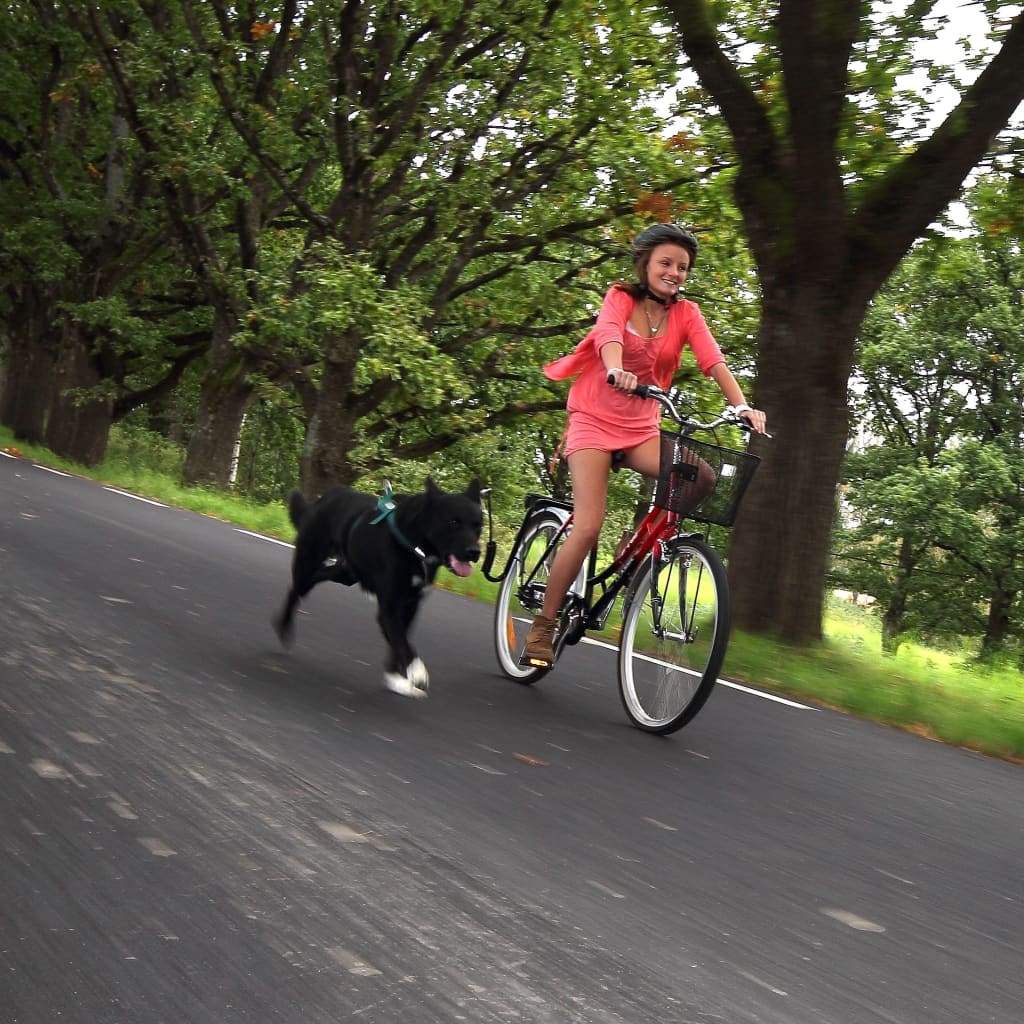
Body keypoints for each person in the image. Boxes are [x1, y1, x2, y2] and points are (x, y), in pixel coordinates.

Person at [521, 223, 767, 668]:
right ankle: (544, 625)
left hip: (640, 427)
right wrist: (616, 369)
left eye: (682, 267)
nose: (675, 272)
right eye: (666, 263)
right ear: (646, 265)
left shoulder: (687, 313)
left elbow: (712, 360)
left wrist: (744, 406)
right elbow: (608, 337)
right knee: (588, 525)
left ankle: (633, 546)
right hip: (594, 420)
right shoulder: (621, 299)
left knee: (702, 476)